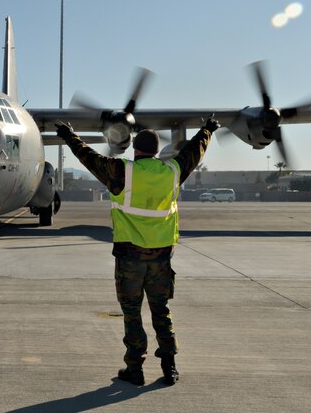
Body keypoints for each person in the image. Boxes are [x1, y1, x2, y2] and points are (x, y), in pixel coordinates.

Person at [56, 116, 220, 386]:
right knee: (161, 310)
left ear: (135, 149)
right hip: (161, 259)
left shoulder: (121, 172)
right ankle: (170, 368)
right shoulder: (173, 172)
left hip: (130, 258)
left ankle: (135, 370)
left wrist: (68, 135)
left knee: (132, 313)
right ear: (156, 151)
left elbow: (88, 157)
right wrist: (208, 130)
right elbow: (193, 151)